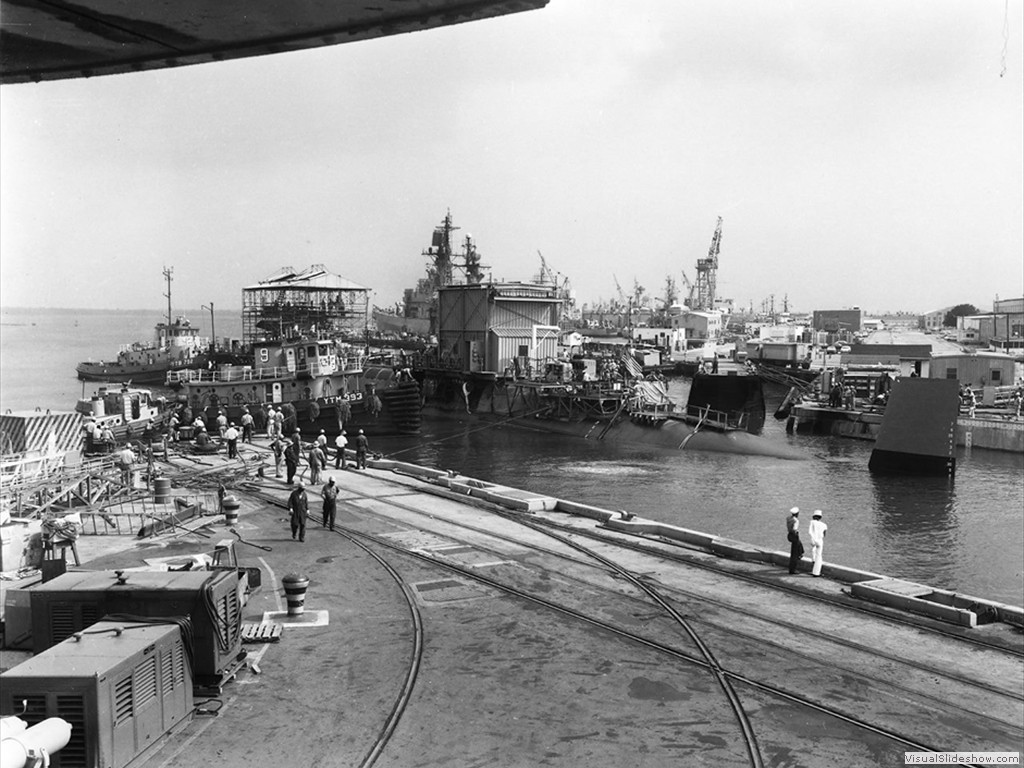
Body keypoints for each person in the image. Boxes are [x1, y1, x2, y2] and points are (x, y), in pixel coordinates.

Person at [808, 510, 828, 577]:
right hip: (819, 540)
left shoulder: (812, 522)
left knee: (814, 550)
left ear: (813, 517)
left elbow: (810, 532)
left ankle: (813, 560)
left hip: (813, 540)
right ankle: (816, 573)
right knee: (819, 556)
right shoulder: (824, 525)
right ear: (820, 517)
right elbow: (824, 534)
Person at [786, 507, 804, 575]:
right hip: (794, 536)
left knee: (795, 551)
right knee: (795, 553)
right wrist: (796, 533)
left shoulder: (788, 518)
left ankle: (801, 553)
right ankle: (793, 570)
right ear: (797, 513)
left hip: (789, 535)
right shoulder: (796, 520)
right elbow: (794, 529)